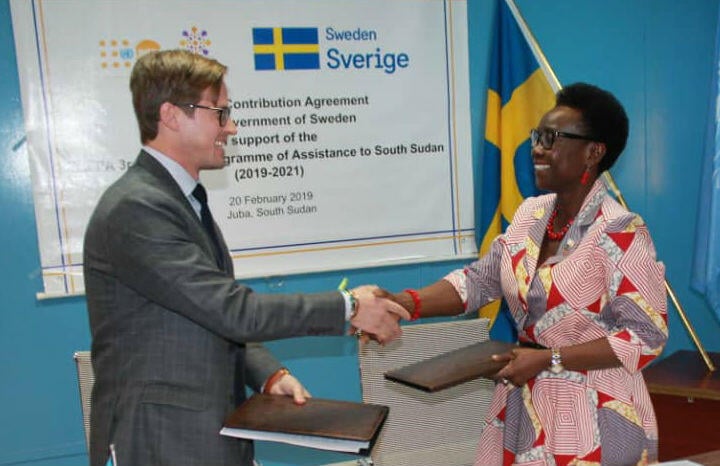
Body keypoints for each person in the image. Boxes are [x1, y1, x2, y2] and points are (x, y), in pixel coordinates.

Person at [82, 49, 409, 466]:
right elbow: (232, 310)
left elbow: (207, 313)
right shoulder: (137, 209)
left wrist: (265, 372)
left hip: (200, 435)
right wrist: (350, 307)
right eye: (220, 113)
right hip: (160, 441)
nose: (231, 127)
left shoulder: (178, 200)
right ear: (171, 115)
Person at [384, 83, 668, 465]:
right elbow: (478, 281)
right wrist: (404, 304)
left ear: (593, 152)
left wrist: (551, 359)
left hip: (596, 413)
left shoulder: (621, 231)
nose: (537, 148)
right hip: (525, 406)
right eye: (537, 136)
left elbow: (645, 336)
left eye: (551, 138)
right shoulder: (530, 215)